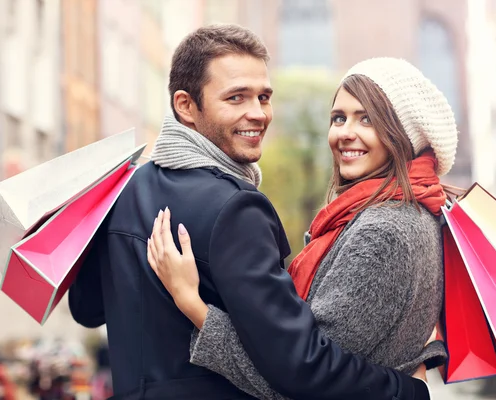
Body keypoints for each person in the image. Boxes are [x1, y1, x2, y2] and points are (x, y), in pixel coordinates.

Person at [69, 24, 437, 400]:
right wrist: (409, 391)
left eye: (263, 97)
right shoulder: (236, 208)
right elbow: (298, 364)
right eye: (236, 98)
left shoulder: (123, 190)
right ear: (186, 105)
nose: (258, 113)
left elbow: (87, 309)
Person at [148, 57, 459, 399]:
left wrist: (193, 304)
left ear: (404, 135)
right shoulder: (405, 211)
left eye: (367, 119)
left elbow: (305, 377)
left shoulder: (385, 230)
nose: (345, 133)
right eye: (339, 118)